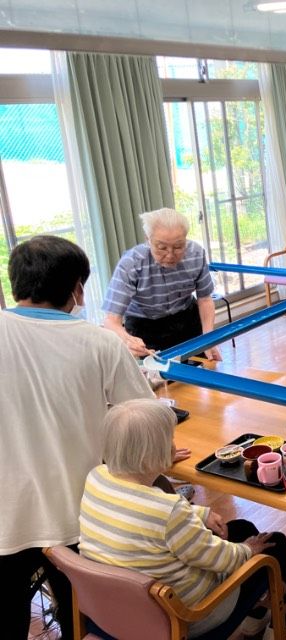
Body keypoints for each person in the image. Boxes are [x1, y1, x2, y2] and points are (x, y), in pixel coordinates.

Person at [0, 235, 155, 640]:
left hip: (5, 517)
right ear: (77, 289)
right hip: (76, 513)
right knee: (83, 618)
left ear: (16, 286)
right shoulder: (100, 342)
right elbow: (144, 417)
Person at [79, 399, 286, 639]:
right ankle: (282, 621)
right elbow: (223, 560)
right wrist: (248, 549)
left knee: (242, 528)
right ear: (150, 455)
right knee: (272, 546)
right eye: (169, 440)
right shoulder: (168, 513)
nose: (173, 446)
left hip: (116, 612)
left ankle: (255, 617)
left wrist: (200, 514)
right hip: (187, 617)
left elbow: (144, 513)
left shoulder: (96, 478)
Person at [103, 208, 222, 360]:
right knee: (160, 380)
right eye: (162, 248)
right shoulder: (131, 264)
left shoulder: (196, 254)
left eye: (178, 247)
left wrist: (208, 337)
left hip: (187, 319)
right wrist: (127, 340)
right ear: (148, 239)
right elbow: (111, 320)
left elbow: (205, 299)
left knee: (204, 370)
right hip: (145, 326)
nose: (170, 255)